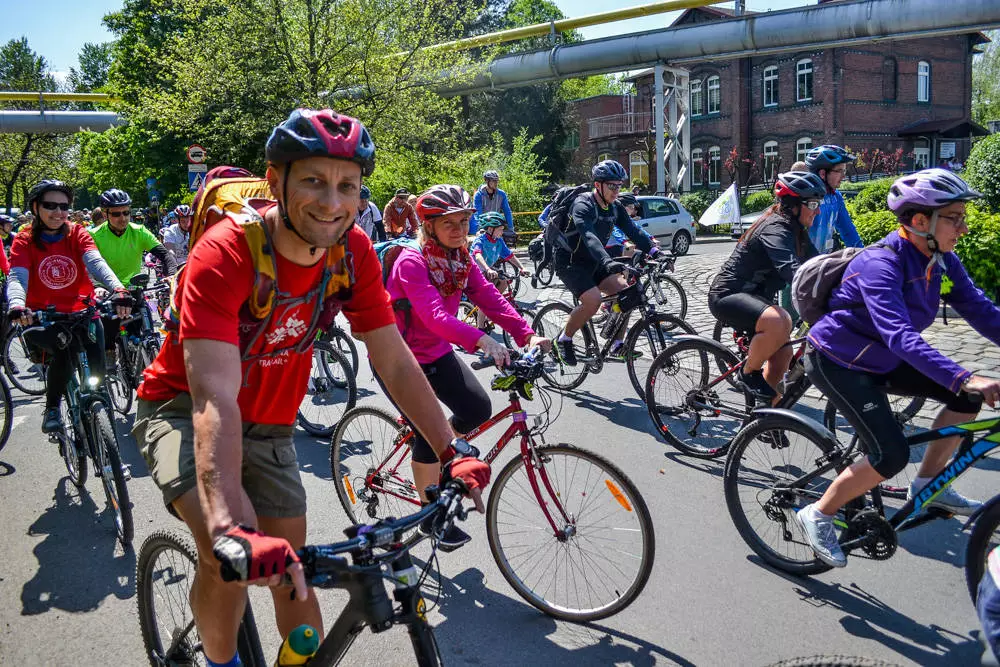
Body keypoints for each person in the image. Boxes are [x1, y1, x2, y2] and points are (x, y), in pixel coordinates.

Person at [131, 109, 489, 667]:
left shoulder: (355, 253)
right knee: (227, 551)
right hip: (181, 410)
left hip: (270, 426)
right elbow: (214, 396)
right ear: (275, 182)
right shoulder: (225, 254)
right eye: (314, 181)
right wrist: (228, 526)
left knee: (292, 573)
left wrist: (450, 448)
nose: (332, 201)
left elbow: (392, 359)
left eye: (348, 185)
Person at [797, 169, 1000, 568]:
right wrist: (964, 374)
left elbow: (980, 309)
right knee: (890, 455)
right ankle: (818, 513)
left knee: (966, 398)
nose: (963, 226)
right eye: (954, 217)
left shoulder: (940, 259)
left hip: (884, 358)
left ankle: (928, 483)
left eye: (962, 217)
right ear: (921, 221)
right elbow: (900, 336)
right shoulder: (880, 264)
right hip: (838, 359)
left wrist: (965, 383)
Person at [380, 184, 549, 549]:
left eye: (464, 221)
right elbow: (436, 316)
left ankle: (444, 455)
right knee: (429, 432)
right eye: (449, 223)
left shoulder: (460, 258)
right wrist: (483, 340)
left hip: (436, 353)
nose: (459, 229)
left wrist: (526, 334)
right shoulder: (413, 261)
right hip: (398, 359)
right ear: (429, 226)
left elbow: (488, 297)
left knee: (478, 408)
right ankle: (431, 517)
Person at [6, 180, 131, 433]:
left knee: (98, 376)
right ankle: (52, 407)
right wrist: (18, 304)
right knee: (63, 352)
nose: (58, 212)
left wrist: (119, 289)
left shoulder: (77, 232)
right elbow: (18, 276)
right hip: (46, 317)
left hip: (83, 311)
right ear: (35, 207)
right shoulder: (24, 239)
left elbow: (96, 263)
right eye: (50, 205)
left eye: (64, 206)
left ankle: (103, 430)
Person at [708, 171, 825, 399]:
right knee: (780, 320)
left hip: (756, 298)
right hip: (728, 295)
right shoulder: (775, 228)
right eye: (813, 204)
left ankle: (764, 421)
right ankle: (747, 372)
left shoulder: (797, 231)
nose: (817, 210)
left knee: (783, 355)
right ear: (793, 205)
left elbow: (818, 264)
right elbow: (791, 270)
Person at [553, 160, 656, 365]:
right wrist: (608, 261)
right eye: (612, 186)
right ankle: (564, 340)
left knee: (627, 291)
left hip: (594, 261)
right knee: (593, 301)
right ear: (598, 185)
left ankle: (618, 344)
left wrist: (654, 250)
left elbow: (634, 231)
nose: (616, 191)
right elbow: (589, 236)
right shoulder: (583, 205)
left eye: (619, 186)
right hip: (570, 262)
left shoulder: (615, 207)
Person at [805, 145, 863, 253]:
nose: (843, 176)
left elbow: (848, 232)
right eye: (839, 171)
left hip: (822, 262)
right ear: (823, 173)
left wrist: (863, 257)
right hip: (803, 265)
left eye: (844, 171)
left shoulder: (836, 197)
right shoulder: (805, 198)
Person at [472, 170, 514, 238]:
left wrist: (511, 228)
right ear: (487, 181)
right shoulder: (479, 195)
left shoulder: (501, 194)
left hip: (496, 226)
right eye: (493, 181)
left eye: (497, 181)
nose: (496, 183)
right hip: (484, 226)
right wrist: (481, 228)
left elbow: (507, 211)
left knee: (501, 245)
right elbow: (477, 213)